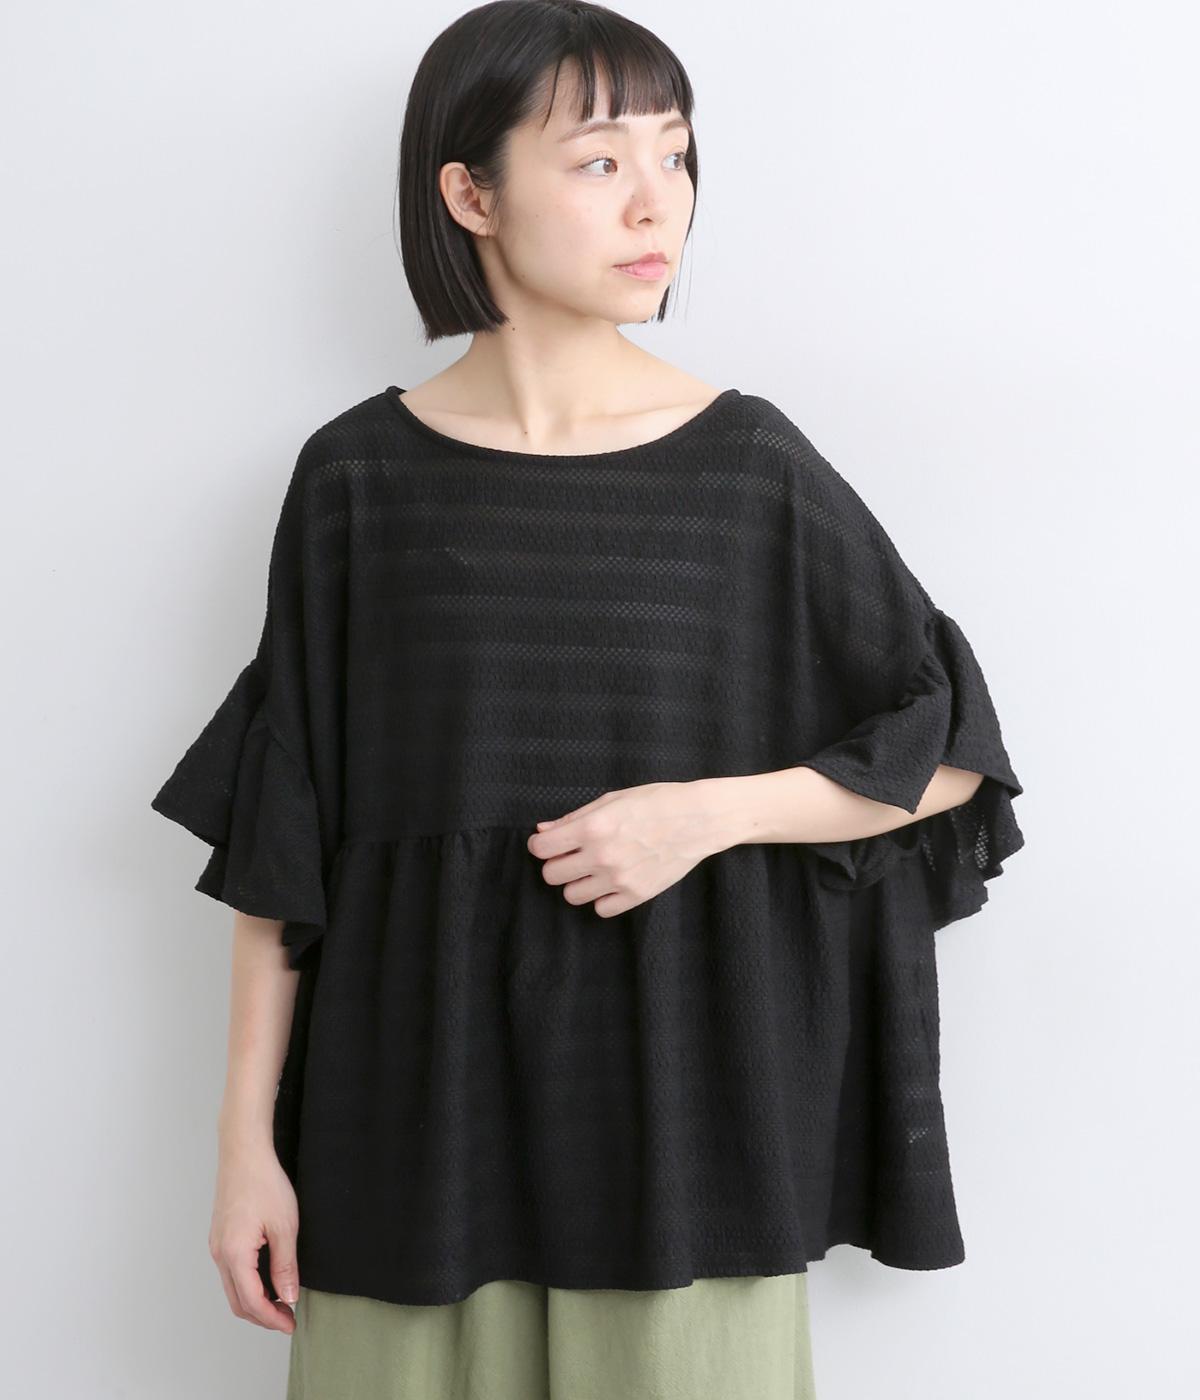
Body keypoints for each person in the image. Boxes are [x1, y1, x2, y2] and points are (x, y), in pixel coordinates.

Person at [149, 3, 1026, 1398]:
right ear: (470, 194)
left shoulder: (749, 468)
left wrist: (706, 816)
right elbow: (285, 842)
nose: (657, 202)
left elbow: (952, 748)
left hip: (685, 1140)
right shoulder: (354, 480)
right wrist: (244, 1147)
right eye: (602, 160)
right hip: (405, 1134)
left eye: (676, 156)